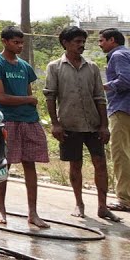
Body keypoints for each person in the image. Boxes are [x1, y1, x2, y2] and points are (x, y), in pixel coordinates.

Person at [44, 26, 118, 221]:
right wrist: (55, 123)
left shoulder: (92, 67)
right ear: (65, 43)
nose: (81, 45)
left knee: (100, 164)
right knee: (75, 165)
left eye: (83, 41)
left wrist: (104, 125)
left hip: (93, 124)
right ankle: (79, 203)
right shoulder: (54, 67)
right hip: (69, 124)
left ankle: (102, 206)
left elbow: (100, 98)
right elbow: (50, 97)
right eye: (77, 41)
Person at [0, 26, 50, 228]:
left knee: (30, 164)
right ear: (5, 41)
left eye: (21, 42)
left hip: (29, 120)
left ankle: (33, 213)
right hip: (8, 119)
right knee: (4, 165)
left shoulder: (24, 66)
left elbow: (28, 93)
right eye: (16, 42)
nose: (20, 46)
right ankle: (0, 207)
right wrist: (28, 99)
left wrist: (28, 100)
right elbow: (1, 97)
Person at [99, 28, 130, 212]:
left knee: (120, 154)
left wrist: (103, 86)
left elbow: (125, 80)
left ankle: (125, 199)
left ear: (112, 40)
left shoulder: (118, 55)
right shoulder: (125, 54)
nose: (100, 44)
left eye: (102, 40)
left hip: (121, 108)